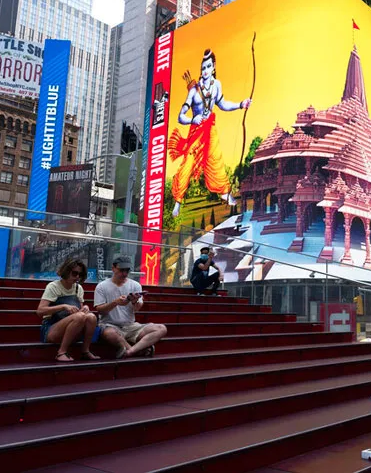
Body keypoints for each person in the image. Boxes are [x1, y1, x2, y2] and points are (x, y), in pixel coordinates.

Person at [169, 48, 252, 217]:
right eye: (202, 68)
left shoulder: (217, 85)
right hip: (196, 132)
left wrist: (240, 104)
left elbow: (222, 104)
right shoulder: (194, 90)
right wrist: (193, 119)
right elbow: (180, 116)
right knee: (187, 165)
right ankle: (178, 201)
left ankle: (224, 192)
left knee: (215, 160)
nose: (205, 71)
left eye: (208, 67)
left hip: (210, 128)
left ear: (213, 67)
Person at [94, 255, 168, 358]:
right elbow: (99, 310)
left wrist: (134, 302)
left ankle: (130, 351)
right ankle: (138, 350)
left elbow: (136, 309)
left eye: (127, 270)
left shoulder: (135, 285)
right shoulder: (102, 286)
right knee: (109, 333)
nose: (124, 273)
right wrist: (115, 302)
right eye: (121, 270)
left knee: (161, 328)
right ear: (113, 268)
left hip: (131, 326)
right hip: (110, 325)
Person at [36, 259, 100, 362]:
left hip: (73, 327)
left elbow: (80, 313)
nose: (77, 277)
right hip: (51, 328)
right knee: (79, 316)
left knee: (91, 317)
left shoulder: (78, 288)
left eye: (80, 274)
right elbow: (40, 311)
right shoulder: (53, 286)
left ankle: (85, 351)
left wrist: (85, 308)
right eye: (74, 273)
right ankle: (61, 352)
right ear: (66, 271)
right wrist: (63, 306)